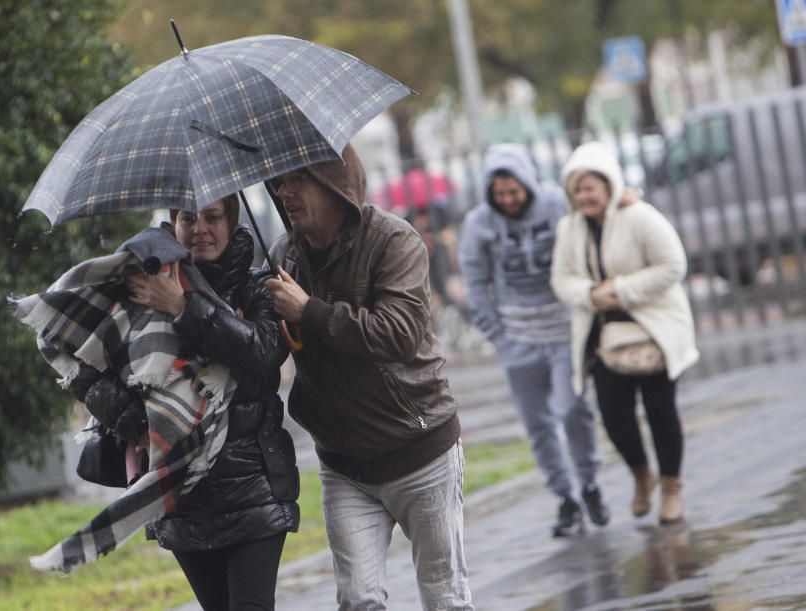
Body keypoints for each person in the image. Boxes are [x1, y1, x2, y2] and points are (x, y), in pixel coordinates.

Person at [264, 144, 474, 610]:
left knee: (446, 598)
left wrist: (309, 311)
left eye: (298, 180)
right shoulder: (283, 254)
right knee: (358, 601)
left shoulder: (393, 241)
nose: (285, 192)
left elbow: (398, 334)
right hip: (345, 465)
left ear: (334, 183)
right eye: (280, 183)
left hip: (420, 449)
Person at [125, 195, 300, 610]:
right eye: (189, 218)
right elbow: (108, 375)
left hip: (252, 489)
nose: (200, 228)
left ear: (233, 220)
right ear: (173, 223)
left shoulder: (258, 286)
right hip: (183, 497)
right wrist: (136, 420)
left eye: (213, 217)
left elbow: (261, 352)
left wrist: (183, 307)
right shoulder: (145, 290)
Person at [457, 143, 609, 537]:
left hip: (563, 332)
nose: (508, 200)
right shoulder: (479, 224)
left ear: (527, 183)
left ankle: (590, 483)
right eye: (500, 194)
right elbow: (475, 281)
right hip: (517, 340)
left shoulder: (557, 204)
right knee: (537, 424)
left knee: (572, 408)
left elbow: (594, 222)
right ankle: (565, 498)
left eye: (515, 192)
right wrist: (499, 337)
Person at [551, 142, 699, 525]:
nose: (584, 196)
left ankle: (671, 488)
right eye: (577, 189)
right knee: (615, 417)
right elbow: (561, 278)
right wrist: (589, 294)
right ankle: (641, 474)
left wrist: (621, 289)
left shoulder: (640, 217)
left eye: (591, 187)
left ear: (609, 186)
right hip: (603, 338)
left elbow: (673, 265)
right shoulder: (569, 228)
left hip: (654, 330)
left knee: (660, 411)